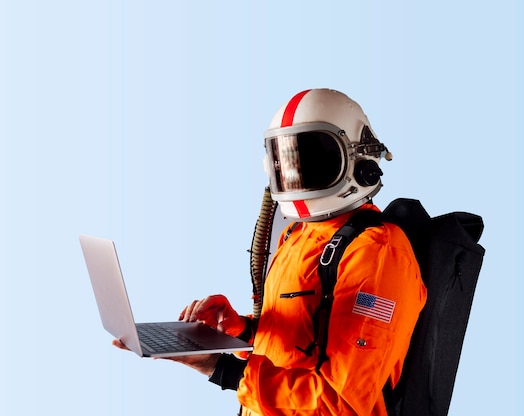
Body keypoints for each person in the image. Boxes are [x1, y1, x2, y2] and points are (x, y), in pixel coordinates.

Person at [114, 88, 427, 415]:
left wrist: (220, 369)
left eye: (315, 158)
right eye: (290, 159)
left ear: (361, 159)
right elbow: (304, 342)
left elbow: (342, 403)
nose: (298, 174)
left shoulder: (377, 254)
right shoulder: (297, 234)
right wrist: (241, 331)